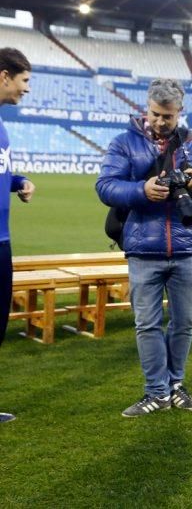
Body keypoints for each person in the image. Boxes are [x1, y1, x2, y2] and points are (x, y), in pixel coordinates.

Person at [96, 78, 192, 418]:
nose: (161, 122)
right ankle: (155, 391)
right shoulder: (124, 143)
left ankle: (175, 385)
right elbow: (105, 187)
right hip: (144, 248)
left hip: (187, 248)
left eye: (168, 117)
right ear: (147, 108)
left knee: (184, 323)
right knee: (147, 324)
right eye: (156, 114)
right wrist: (141, 190)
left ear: (180, 113)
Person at [0, 48, 35, 424]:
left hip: (2, 241)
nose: (26, 89)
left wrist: (18, 181)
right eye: (24, 81)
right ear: (4, 76)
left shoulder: (3, 127)